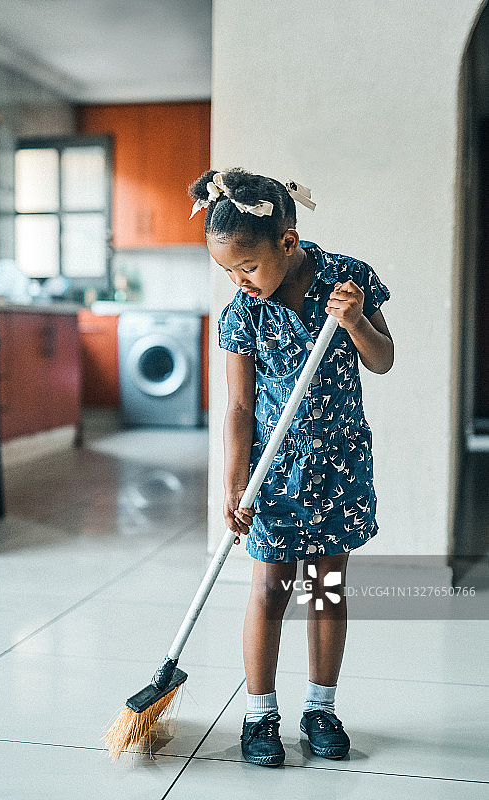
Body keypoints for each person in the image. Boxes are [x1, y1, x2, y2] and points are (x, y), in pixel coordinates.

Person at [188, 168, 394, 767]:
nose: (239, 282)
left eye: (247, 267)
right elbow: (238, 408)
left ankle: (321, 708)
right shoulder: (241, 314)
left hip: (339, 464)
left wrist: (355, 321)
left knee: (328, 589)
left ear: (287, 240)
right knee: (269, 589)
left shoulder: (349, 279)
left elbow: (382, 360)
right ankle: (259, 715)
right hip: (271, 473)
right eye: (227, 271)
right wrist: (231, 487)